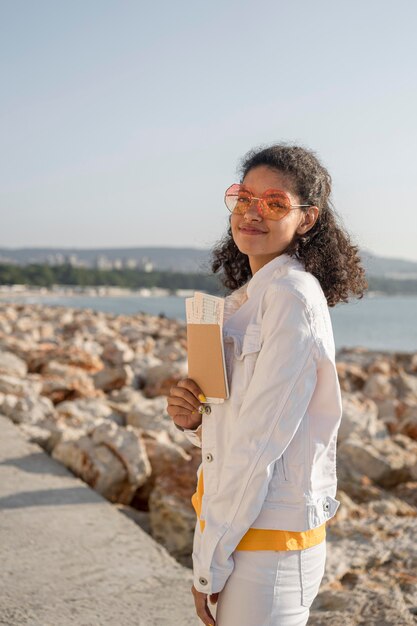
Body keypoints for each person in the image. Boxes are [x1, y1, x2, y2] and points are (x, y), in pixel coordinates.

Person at [166, 143, 367, 626]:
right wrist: (195, 420)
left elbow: (260, 442)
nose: (252, 213)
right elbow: (245, 422)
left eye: (274, 203)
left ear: (307, 219)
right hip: (245, 532)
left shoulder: (291, 298)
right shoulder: (252, 298)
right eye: (243, 198)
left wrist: (207, 567)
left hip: (269, 548)